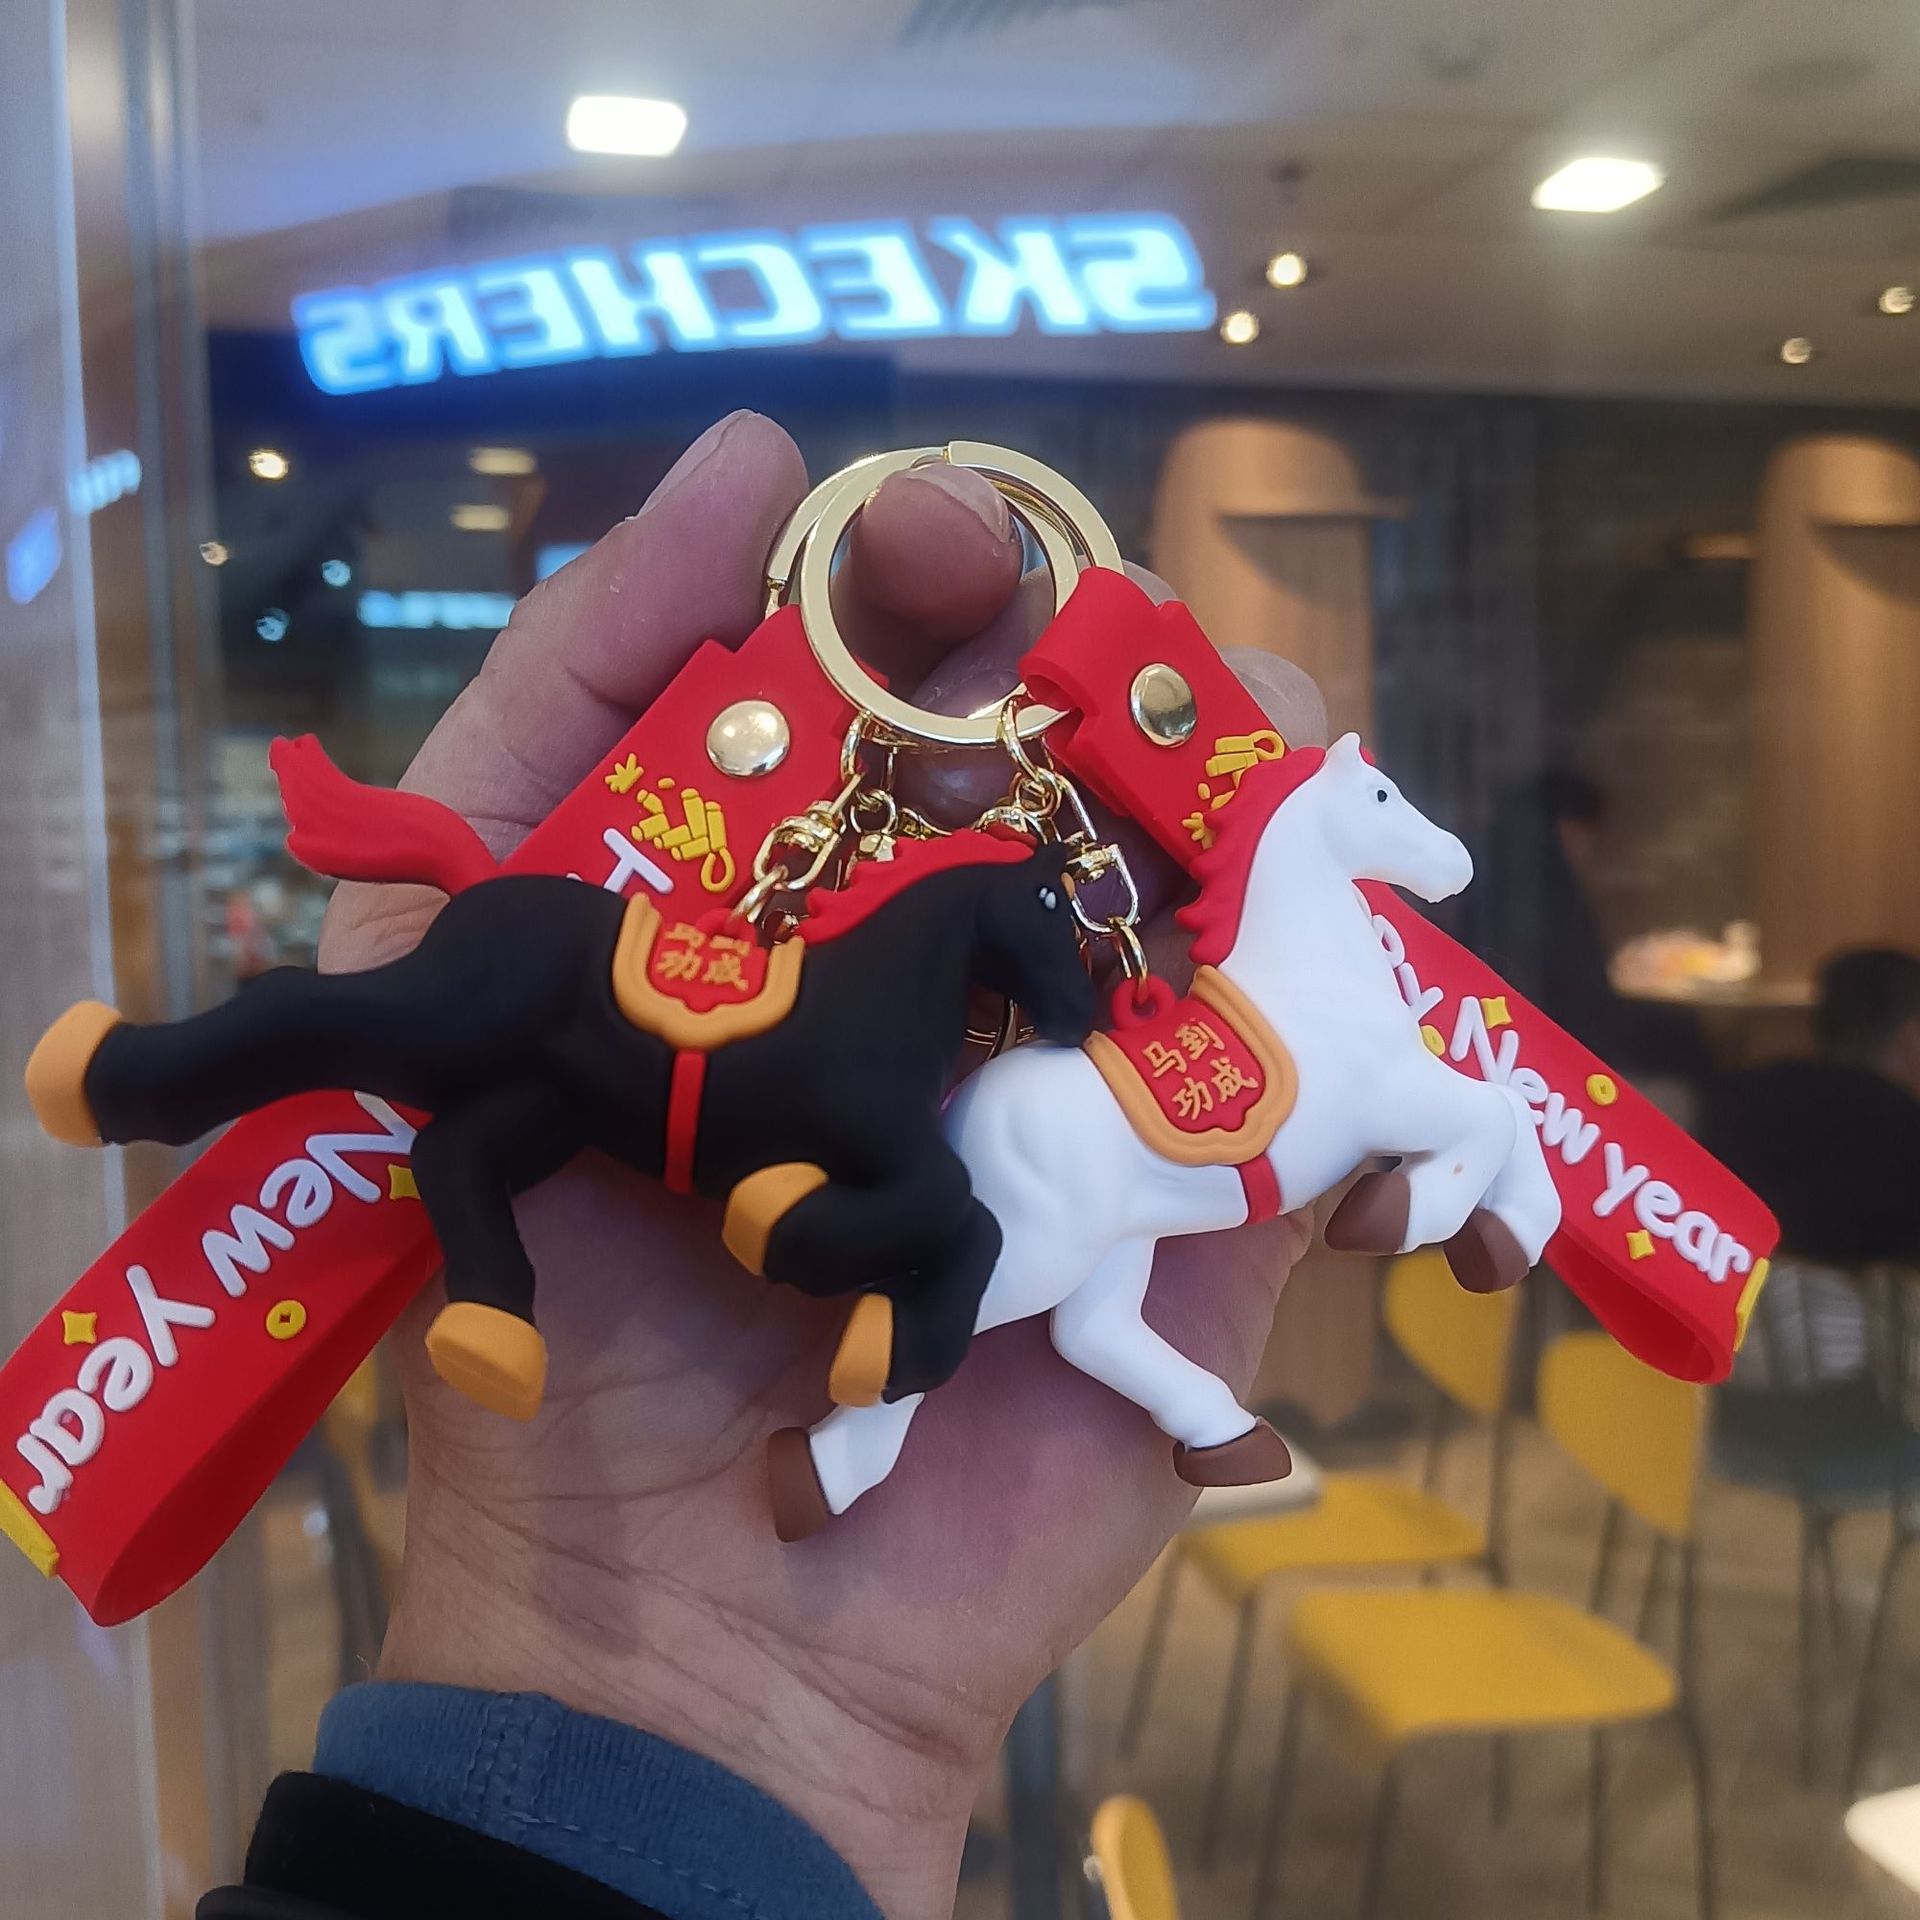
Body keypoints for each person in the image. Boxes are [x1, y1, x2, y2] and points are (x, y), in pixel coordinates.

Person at [198, 414, 1326, 1920]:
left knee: (495, 1141)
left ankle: (656, 1254)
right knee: (405, 1040)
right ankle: (164, 1064)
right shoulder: (874, 1016)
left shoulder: (915, 1027)